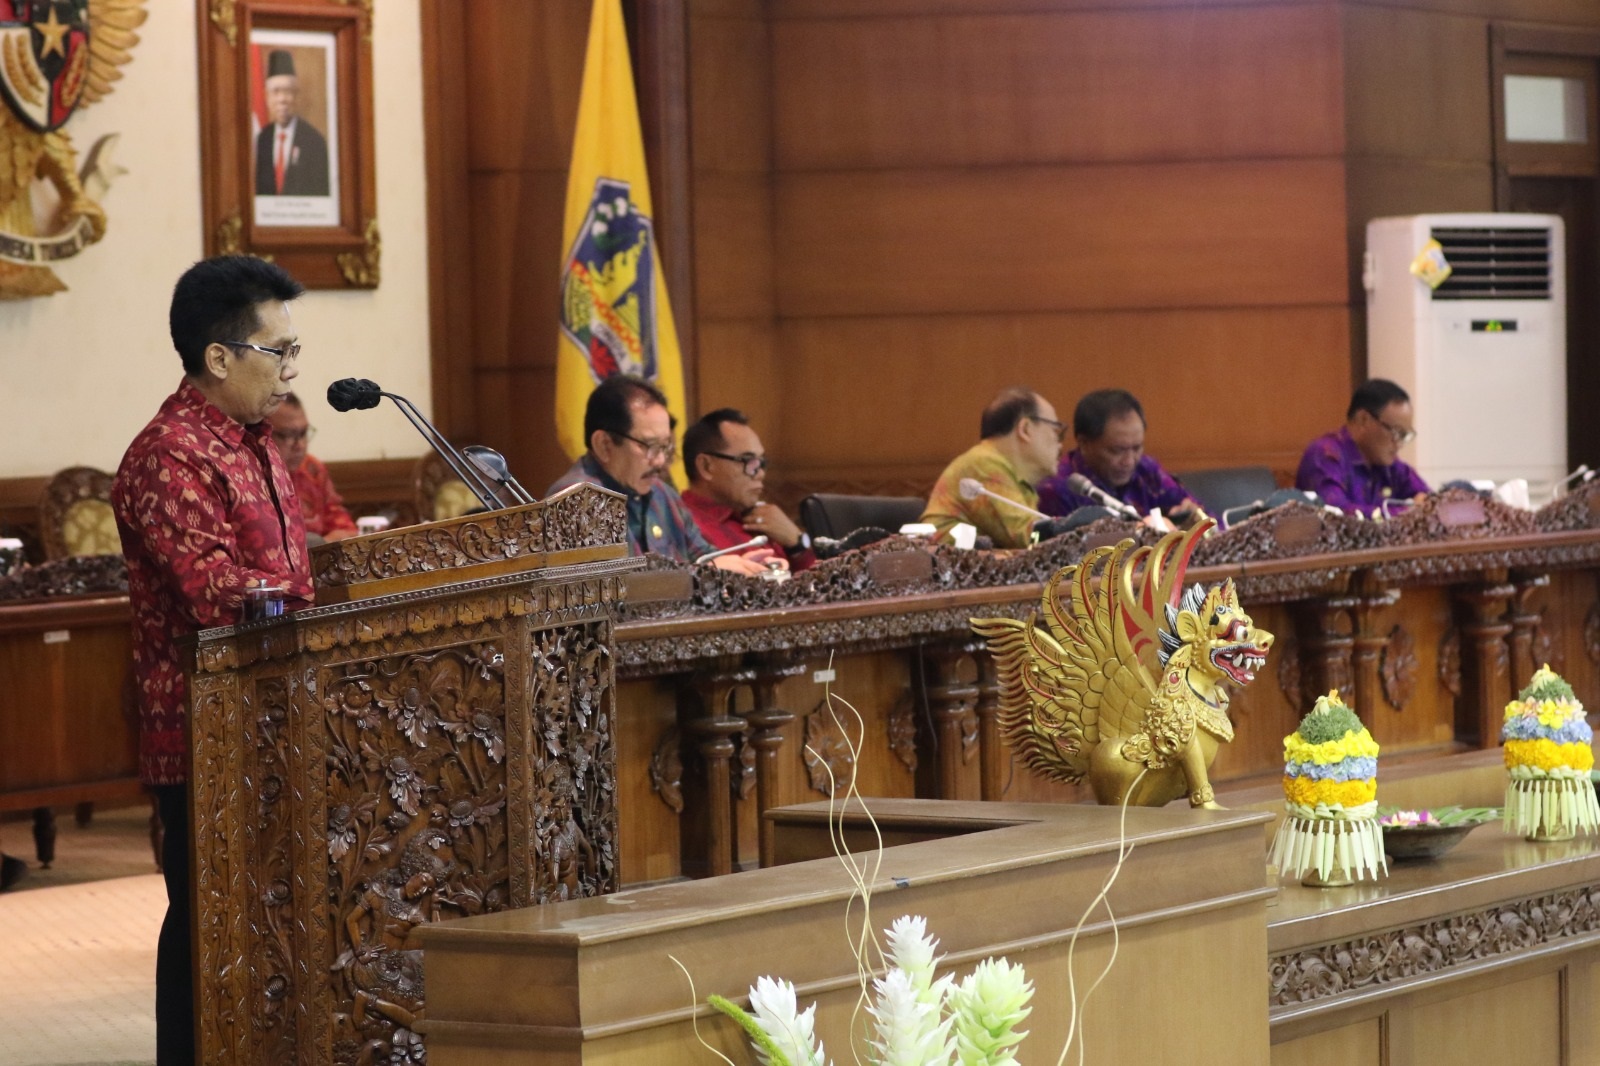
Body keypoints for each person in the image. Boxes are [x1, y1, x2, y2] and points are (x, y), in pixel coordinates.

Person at [112, 256, 314, 1066]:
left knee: (268, 918)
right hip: (204, 727)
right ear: (220, 356)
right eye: (278, 351)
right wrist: (312, 599)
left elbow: (288, 571)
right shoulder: (170, 454)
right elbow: (215, 591)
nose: (291, 372)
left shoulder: (255, 444)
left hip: (280, 716)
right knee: (207, 927)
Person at [544, 376, 773, 575]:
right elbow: (618, 589)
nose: (661, 461)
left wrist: (741, 566)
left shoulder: (661, 493)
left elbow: (702, 556)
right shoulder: (573, 501)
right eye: (650, 446)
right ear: (604, 444)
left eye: (665, 447)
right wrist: (703, 572)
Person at [922, 387, 1065, 548]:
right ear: (1025, 429)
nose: (1060, 444)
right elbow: (1029, 538)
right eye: (1056, 430)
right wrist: (1074, 530)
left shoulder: (1011, 474)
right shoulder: (983, 465)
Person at [680, 408, 817, 571]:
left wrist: (797, 544)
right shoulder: (679, 521)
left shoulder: (764, 519)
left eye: (761, 462)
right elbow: (644, 565)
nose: (760, 473)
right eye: (748, 461)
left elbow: (822, 587)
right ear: (706, 466)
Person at [1037, 389, 1200, 526]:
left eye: (1137, 448)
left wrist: (1193, 524)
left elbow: (1210, 521)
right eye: (1117, 450)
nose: (1129, 461)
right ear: (1084, 443)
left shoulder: (1147, 470)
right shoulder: (1057, 489)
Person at [1296, 378, 1430, 516]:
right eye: (1395, 432)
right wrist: (1410, 511)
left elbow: (1430, 502)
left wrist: (1425, 505)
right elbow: (1337, 517)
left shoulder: (1388, 463)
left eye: (1404, 435)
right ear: (1363, 420)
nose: (1399, 443)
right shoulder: (1325, 454)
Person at [272, 392, 358, 543]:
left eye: (303, 433)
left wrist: (323, 544)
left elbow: (345, 528)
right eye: (288, 435)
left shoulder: (312, 469)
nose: (300, 445)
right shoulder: (252, 477)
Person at [254, 50, 331, 197]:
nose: (282, 99)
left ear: (296, 96)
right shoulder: (262, 139)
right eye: (276, 91)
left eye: (288, 91)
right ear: (266, 97)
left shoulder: (314, 142)